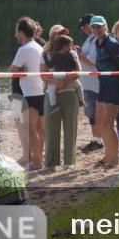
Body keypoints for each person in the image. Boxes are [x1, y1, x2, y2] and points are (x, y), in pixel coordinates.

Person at [7, 18, 45, 169]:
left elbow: (12, 70)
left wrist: (19, 71)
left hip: (30, 93)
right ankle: (48, 159)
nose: (15, 34)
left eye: (17, 31)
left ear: (22, 33)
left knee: (31, 129)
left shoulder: (24, 49)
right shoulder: (38, 46)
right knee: (42, 130)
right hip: (41, 91)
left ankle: (36, 163)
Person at [91, 15, 119, 168]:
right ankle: (108, 154)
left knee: (107, 124)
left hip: (114, 86)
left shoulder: (112, 44)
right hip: (103, 84)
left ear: (105, 27)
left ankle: (114, 159)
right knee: (100, 123)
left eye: (99, 27)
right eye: (94, 27)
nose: (97, 30)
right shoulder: (97, 43)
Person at [40, 33, 80, 169]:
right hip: (52, 93)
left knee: (71, 128)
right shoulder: (45, 54)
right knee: (51, 130)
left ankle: (69, 161)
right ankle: (51, 163)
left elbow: (78, 71)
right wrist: (57, 84)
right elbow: (43, 75)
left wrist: (65, 81)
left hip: (70, 93)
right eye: (57, 34)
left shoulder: (72, 53)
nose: (59, 36)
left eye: (62, 33)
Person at [76, 14, 103, 154]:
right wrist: (79, 52)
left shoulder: (96, 41)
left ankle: (98, 140)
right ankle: (95, 139)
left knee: (96, 113)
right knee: (90, 113)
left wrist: (78, 55)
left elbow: (93, 61)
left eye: (83, 27)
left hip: (94, 82)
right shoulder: (89, 39)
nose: (83, 29)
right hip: (87, 82)